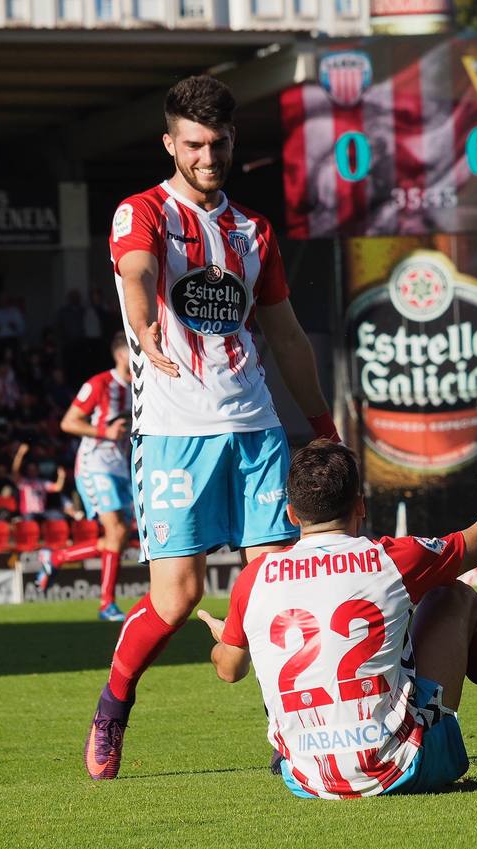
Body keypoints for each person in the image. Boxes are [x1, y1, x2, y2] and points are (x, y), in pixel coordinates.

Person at [83, 75, 340, 781]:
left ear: (232, 142)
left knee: (277, 590)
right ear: (171, 143)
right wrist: (143, 329)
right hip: (173, 433)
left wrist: (321, 425)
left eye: (218, 142)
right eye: (193, 143)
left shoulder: (254, 230)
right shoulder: (141, 213)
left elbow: (287, 339)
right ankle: (113, 704)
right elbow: (136, 274)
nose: (207, 154)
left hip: (255, 427)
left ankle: (293, 738)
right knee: (178, 598)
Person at [197, 441, 477, 798]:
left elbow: (230, 668)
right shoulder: (390, 558)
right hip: (407, 765)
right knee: (453, 595)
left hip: (306, 779)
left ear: (291, 514)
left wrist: (226, 637)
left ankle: (311, 748)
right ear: (361, 506)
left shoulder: (255, 577)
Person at [36, 332, 135, 622]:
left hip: (121, 467)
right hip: (95, 465)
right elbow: (68, 422)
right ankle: (106, 605)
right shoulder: (100, 384)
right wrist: (105, 432)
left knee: (116, 537)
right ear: (120, 354)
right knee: (115, 532)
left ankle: (55, 558)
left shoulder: (142, 385)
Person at [11, 442, 65, 520]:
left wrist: (61, 476)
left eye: (34, 470)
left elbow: (58, 488)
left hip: (42, 514)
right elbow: (14, 471)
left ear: (37, 471)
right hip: (28, 515)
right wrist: (20, 454)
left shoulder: (42, 483)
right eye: (30, 470)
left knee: (58, 516)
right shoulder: (23, 482)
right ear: (27, 471)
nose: (32, 471)